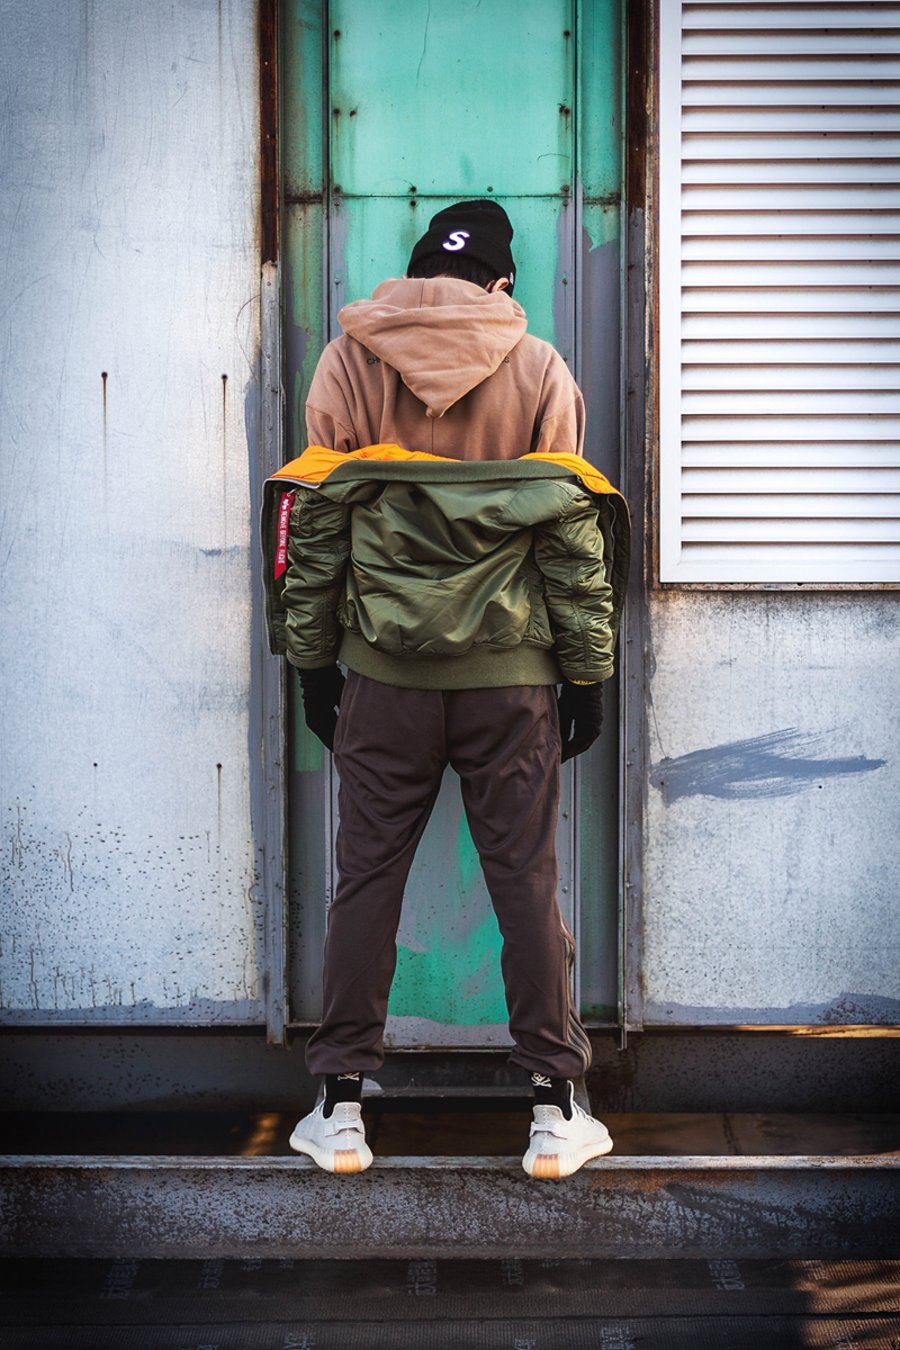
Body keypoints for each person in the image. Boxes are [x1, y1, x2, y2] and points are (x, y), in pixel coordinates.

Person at [262, 200, 629, 1179]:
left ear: (421, 272)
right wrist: (585, 676)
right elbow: (571, 543)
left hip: (384, 679)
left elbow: (317, 530)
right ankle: (555, 1108)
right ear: (500, 281)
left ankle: (339, 1108)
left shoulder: (348, 363)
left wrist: (314, 667)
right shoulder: (540, 368)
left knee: (366, 881)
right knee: (526, 883)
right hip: (512, 683)